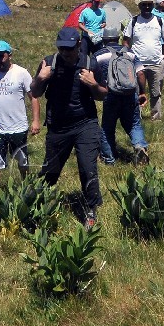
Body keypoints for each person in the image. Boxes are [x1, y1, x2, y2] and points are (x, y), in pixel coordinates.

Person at [31, 26, 107, 226]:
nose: (65, 52)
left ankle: (90, 211)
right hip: (58, 126)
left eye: (70, 49)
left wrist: (93, 84)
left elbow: (102, 95)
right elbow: (35, 93)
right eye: (62, 48)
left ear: (79, 45)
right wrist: (40, 78)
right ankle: (38, 206)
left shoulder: (90, 63)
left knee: (87, 166)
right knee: (50, 171)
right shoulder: (49, 63)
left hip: (85, 123)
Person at [0, 40, 40, 199]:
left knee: (22, 160)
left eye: (2, 56)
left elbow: (33, 97)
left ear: (9, 55)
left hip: (18, 127)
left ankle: (27, 186)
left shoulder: (21, 73)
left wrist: (35, 121)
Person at [95, 33, 149, 164]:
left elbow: (93, 75)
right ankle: (140, 146)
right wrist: (142, 92)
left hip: (111, 94)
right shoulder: (129, 53)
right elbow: (141, 73)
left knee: (108, 128)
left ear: (103, 40)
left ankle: (109, 159)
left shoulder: (99, 54)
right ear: (117, 38)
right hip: (130, 94)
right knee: (134, 124)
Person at [123, 0, 164, 122]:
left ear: (152, 5)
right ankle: (136, 118)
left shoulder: (159, 21)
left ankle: (156, 118)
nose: (147, 7)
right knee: (136, 91)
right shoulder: (133, 21)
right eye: (144, 5)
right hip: (138, 64)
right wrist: (128, 58)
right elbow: (126, 40)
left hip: (156, 63)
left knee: (156, 92)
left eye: (149, 4)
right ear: (140, 6)